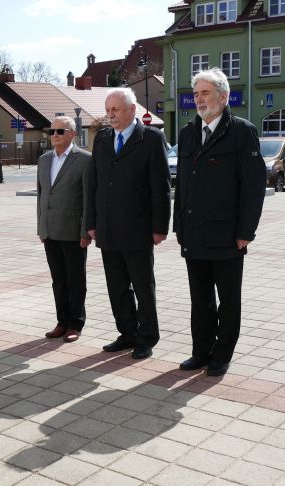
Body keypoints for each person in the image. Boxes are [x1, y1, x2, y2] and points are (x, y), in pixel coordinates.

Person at [173, 68, 265, 377]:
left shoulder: (241, 131)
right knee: (200, 300)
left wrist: (245, 231)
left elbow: (253, 187)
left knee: (228, 299)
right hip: (194, 232)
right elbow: (182, 185)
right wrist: (179, 226)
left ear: (223, 97)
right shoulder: (187, 132)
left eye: (205, 93)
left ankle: (222, 354)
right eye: (195, 94)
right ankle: (201, 352)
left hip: (227, 234)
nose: (198, 99)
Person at [86, 87, 171, 360]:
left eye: (115, 110)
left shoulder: (151, 139)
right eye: (107, 110)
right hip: (108, 228)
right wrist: (91, 222)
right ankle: (127, 333)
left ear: (132, 110)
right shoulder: (102, 139)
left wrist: (159, 227)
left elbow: (161, 186)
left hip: (138, 228)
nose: (110, 115)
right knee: (117, 287)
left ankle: (147, 337)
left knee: (143, 287)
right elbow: (93, 185)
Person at [37, 116, 92, 343]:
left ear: (72, 134)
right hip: (50, 230)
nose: (55, 135)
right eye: (52, 131)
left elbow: (88, 198)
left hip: (73, 231)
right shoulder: (44, 160)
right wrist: (41, 226)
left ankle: (75, 324)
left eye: (60, 131)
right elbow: (41, 195)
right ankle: (62, 321)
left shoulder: (85, 159)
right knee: (58, 280)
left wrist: (85, 231)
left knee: (75, 280)